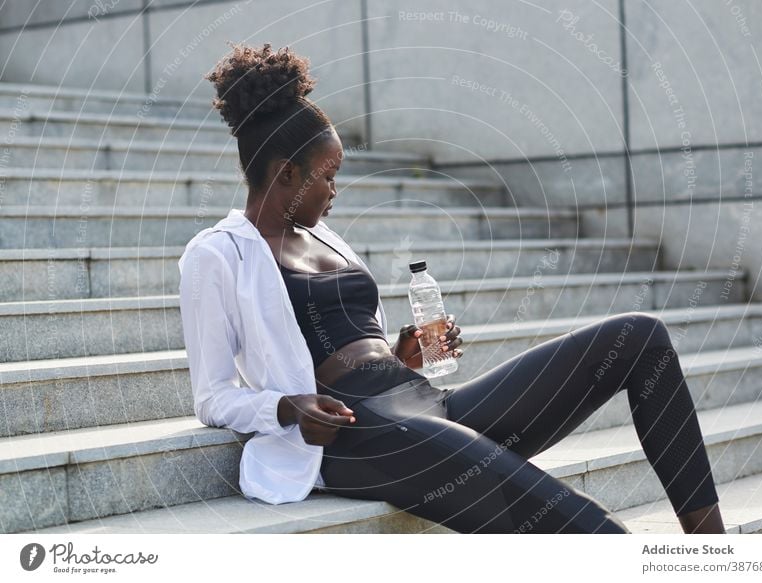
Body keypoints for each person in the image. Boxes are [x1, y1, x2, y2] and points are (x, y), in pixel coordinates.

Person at [178, 41, 725, 534]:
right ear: (285, 175)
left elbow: (346, 336)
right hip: (355, 433)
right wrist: (287, 408)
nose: (335, 189)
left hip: (425, 403)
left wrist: (400, 353)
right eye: (328, 174)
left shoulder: (326, 237)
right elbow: (213, 396)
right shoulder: (218, 253)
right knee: (570, 520)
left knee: (639, 338)